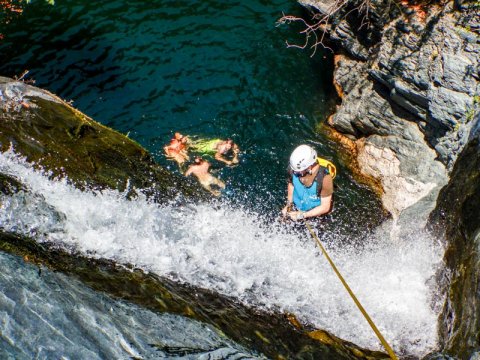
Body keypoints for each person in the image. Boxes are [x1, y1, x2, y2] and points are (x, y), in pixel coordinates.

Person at [281, 144, 334, 221]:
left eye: (298, 172)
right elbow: (291, 185)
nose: (295, 173)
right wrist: (288, 205)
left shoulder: (324, 178)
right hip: (297, 208)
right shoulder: (293, 169)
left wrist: (303, 215)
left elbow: (325, 207)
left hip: (314, 214)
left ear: (309, 167)